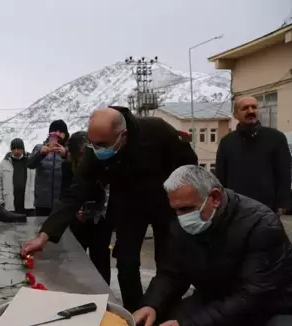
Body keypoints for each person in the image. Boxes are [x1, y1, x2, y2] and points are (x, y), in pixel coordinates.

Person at [134, 165, 292, 326]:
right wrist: (151, 305)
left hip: (274, 305)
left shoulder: (261, 224)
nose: (181, 217)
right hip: (223, 295)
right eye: (176, 210)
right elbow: (171, 272)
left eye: (187, 209)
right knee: (171, 319)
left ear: (215, 198)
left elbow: (252, 295)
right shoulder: (182, 225)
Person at [21, 107, 198, 312]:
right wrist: (44, 235)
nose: (96, 149)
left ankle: (165, 318)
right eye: (92, 143)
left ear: (123, 136)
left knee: (168, 264)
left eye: (102, 144)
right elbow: (75, 192)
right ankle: (136, 315)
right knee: (126, 264)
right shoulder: (96, 150)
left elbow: (189, 164)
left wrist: (182, 202)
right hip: (128, 208)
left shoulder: (157, 131)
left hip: (165, 205)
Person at [216, 96, 292, 214]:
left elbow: (284, 174)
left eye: (254, 107)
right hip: (236, 208)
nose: (250, 111)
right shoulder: (227, 142)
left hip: (266, 208)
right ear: (236, 114)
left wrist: (282, 204)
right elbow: (220, 177)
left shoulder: (276, 138)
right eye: (245, 108)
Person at [63, 131, 112, 284]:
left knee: (101, 260)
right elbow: (66, 193)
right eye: (82, 152)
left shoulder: (102, 164)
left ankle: (103, 294)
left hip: (100, 221)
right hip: (78, 220)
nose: (86, 156)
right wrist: (75, 211)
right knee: (77, 260)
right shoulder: (67, 167)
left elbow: (107, 190)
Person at [27, 120, 68, 217]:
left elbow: (78, 169)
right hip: (42, 202)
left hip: (63, 202)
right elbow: (29, 164)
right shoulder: (40, 147)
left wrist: (66, 155)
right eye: (54, 132)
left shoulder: (68, 149)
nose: (57, 135)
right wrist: (40, 154)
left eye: (60, 132)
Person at [0, 138, 36, 215]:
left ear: (22, 149)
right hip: (10, 204)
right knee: (11, 226)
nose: (16, 151)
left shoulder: (31, 161)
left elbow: (37, 181)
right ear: (11, 149)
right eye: (14, 148)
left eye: (19, 148)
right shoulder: (4, 163)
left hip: (28, 204)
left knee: (29, 226)